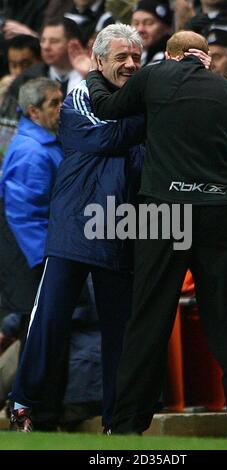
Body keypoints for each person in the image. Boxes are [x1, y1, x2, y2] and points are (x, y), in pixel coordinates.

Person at [87, 28, 227, 438]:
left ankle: (127, 424)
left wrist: (95, 73)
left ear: (170, 56)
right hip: (220, 210)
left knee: (150, 315)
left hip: (164, 209)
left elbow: (109, 108)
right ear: (205, 57)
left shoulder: (154, 75)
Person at [8, 24, 145, 433]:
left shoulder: (139, 99)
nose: (130, 64)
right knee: (50, 319)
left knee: (120, 330)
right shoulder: (81, 96)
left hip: (122, 226)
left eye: (136, 57)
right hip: (76, 225)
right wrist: (149, 117)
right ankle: (23, 404)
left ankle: (116, 420)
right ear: (98, 60)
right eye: (121, 57)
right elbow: (107, 137)